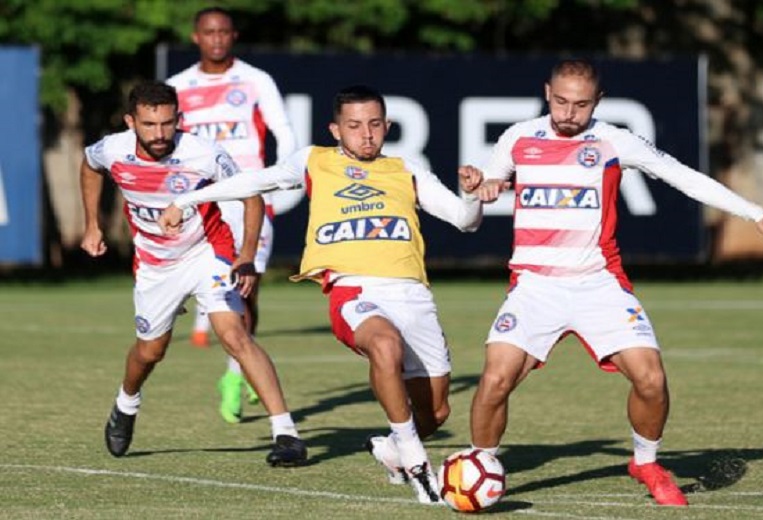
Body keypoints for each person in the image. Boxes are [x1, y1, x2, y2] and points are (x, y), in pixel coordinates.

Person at [467, 58, 763, 507]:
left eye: (582, 104)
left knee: (651, 379)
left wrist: (755, 213)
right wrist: (482, 188)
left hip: (598, 284)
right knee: (494, 381)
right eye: (562, 102)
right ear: (547, 93)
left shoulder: (613, 141)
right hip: (535, 286)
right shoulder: (517, 137)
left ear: (598, 102)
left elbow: (683, 177)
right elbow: (486, 190)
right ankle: (480, 467)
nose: (570, 113)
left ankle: (645, 462)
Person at [158, 85, 484, 504]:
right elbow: (256, 180)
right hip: (354, 290)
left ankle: (391, 447)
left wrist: (473, 194)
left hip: (412, 294)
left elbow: (465, 220)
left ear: (386, 126)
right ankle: (419, 466)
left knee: (436, 413)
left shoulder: (408, 168)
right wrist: (188, 199)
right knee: (384, 345)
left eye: (374, 125)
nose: (366, 135)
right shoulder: (315, 160)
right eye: (354, 126)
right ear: (335, 129)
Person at [80, 81, 307, 467]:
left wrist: (247, 255)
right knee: (151, 351)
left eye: (168, 124)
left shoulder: (203, 153)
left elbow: (250, 194)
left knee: (235, 334)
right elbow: (89, 166)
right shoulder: (112, 149)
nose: (159, 134)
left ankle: (286, 433)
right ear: (131, 121)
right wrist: (92, 224)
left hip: (208, 251)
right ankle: (126, 403)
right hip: (156, 263)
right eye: (149, 125)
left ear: (179, 120)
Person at [167, 6, 303, 424]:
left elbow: (283, 131)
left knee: (248, 289)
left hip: (247, 199)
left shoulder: (255, 79)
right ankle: (235, 360)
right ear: (196, 37)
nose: (217, 39)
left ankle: (234, 373)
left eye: (224, 31)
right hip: (199, 201)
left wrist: (281, 178)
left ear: (234, 35)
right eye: (209, 32)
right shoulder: (177, 86)